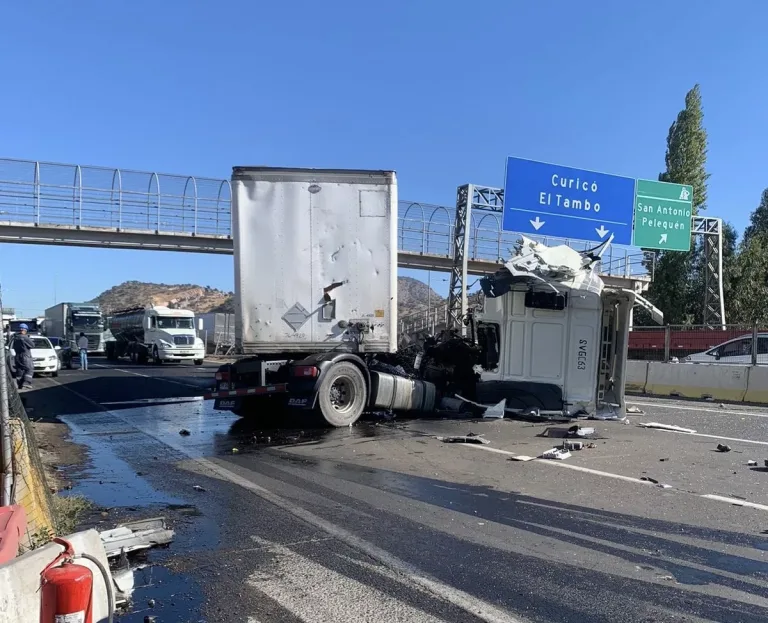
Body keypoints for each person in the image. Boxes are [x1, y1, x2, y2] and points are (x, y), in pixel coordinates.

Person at [13, 323, 35, 390]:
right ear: (25, 330)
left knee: (20, 370)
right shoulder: (25, 337)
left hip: (17, 356)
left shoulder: (15, 337)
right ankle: (26, 384)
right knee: (29, 369)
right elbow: (32, 345)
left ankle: (20, 384)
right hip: (25, 356)